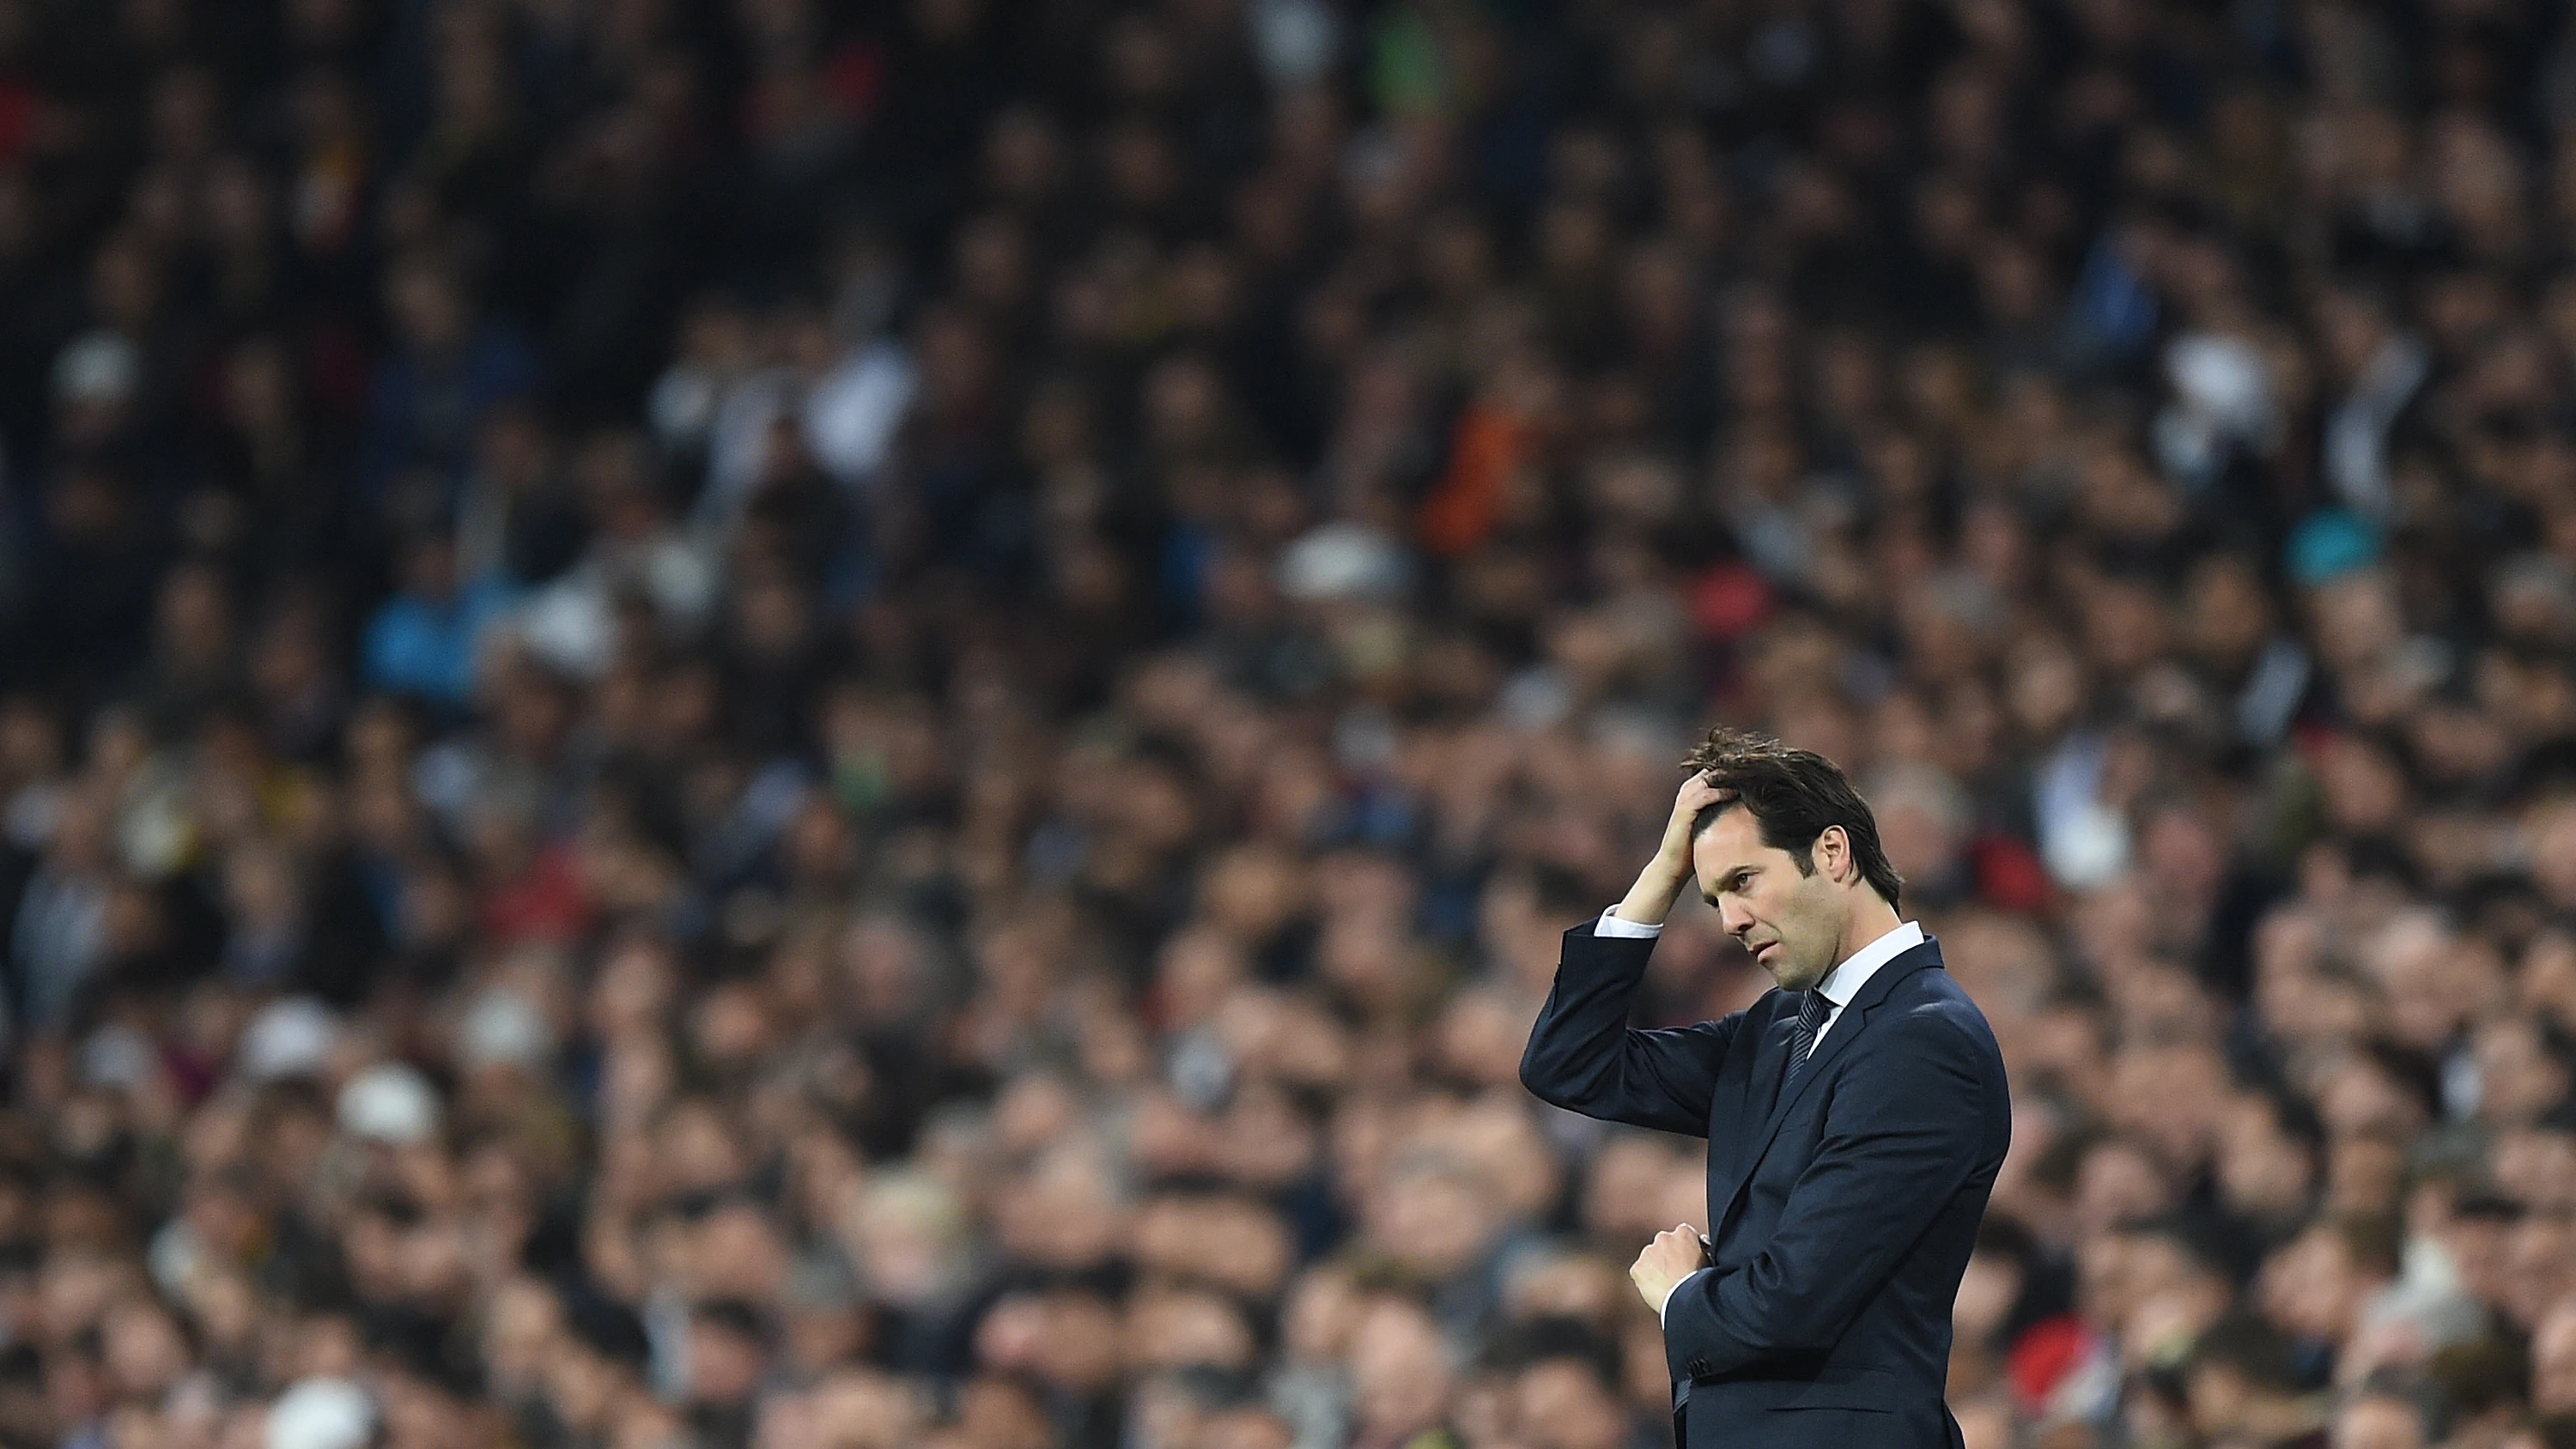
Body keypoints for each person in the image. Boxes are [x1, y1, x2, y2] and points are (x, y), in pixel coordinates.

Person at [1520, 726, 2012, 1448]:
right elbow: (1569, 1064)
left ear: (1833, 853)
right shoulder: (1780, 1025)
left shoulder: (1925, 1042)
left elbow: (1794, 1301)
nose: (1728, 921)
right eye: (1711, 895)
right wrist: (1661, 872)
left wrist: (1681, 1296)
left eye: (1743, 881)